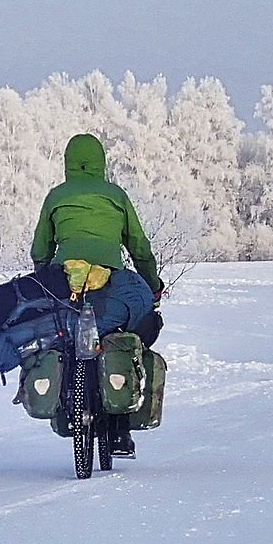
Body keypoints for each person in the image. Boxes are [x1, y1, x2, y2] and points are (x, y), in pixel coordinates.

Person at [30, 133, 163, 455]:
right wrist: (151, 284)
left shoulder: (56, 196)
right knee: (134, 327)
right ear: (102, 162)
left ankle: (65, 407)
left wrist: (44, 276)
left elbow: (40, 248)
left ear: (68, 163)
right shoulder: (115, 195)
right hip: (110, 283)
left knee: (63, 337)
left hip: (64, 283)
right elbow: (139, 247)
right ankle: (119, 431)